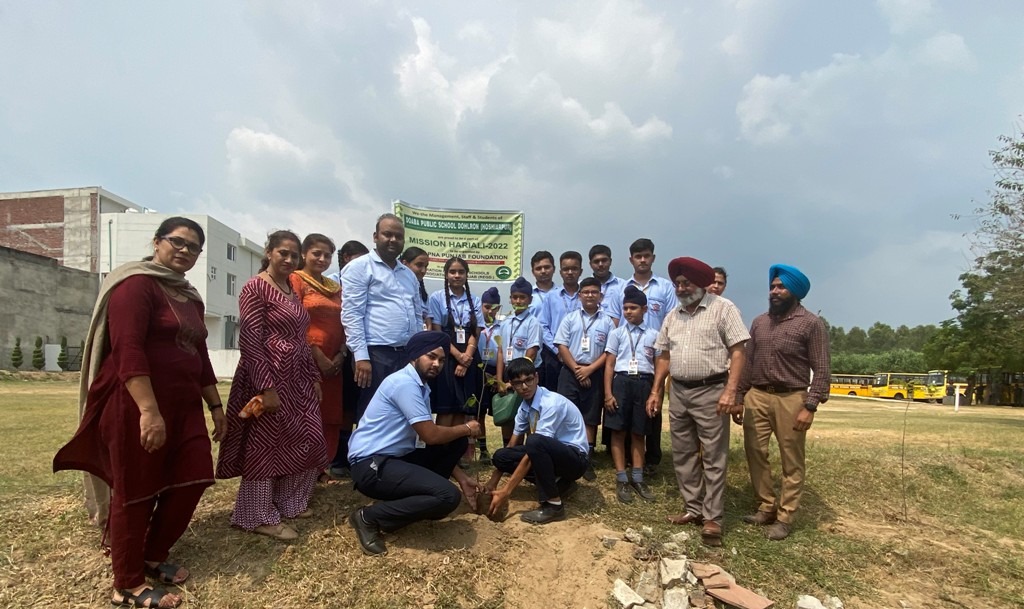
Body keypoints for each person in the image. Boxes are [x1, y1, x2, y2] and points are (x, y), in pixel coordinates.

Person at [54, 217, 227, 609]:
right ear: (157, 242)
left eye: (193, 247)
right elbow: (129, 348)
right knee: (136, 490)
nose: (184, 251)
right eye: (177, 242)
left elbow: (199, 356)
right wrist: (148, 411)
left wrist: (216, 406)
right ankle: (127, 583)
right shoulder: (134, 284)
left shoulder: (190, 296)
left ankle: (151, 553)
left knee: (194, 476)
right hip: (134, 403)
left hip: (183, 406)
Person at [216, 230, 326, 541]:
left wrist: (314, 377)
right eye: (283, 253)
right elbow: (250, 339)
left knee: (308, 436)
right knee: (265, 447)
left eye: (294, 255)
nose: (289, 260)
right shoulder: (255, 288)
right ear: (269, 252)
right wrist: (266, 387)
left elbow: (300, 338)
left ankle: (288, 501)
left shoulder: (291, 288)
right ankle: (256, 515)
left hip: (298, 377)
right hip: (268, 376)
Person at [347, 331, 481, 555]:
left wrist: (463, 478)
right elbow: (430, 435)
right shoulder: (404, 384)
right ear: (415, 355)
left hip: (394, 458)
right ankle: (368, 518)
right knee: (448, 497)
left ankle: (411, 501)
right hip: (371, 465)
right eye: (431, 356)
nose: (436, 364)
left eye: (441, 360)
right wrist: (467, 428)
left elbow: (424, 439)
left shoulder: (420, 386)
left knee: (454, 443)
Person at [647, 256, 749, 547]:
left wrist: (731, 391)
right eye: (677, 283)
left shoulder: (723, 309)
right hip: (678, 391)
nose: (680, 288)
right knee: (683, 454)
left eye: (686, 282)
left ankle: (713, 518)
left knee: (714, 457)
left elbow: (739, 352)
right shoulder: (672, 316)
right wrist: (656, 391)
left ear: (701, 284)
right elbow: (664, 356)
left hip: (712, 390)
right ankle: (693, 508)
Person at [736, 264, 830, 541]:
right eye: (773, 286)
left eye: (781, 287)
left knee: (792, 460)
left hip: (792, 397)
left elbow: (822, 368)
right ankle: (766, 505)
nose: (775, 291)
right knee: (755, 451)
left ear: (795, 292)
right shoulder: (759, 322)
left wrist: (810, 406)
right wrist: (740, 397)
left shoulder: (811, 324)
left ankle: (785, 517)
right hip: (758, 394)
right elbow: (749, 361)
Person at [484, 357, 590, 524]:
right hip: (551, 452)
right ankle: (559, 484)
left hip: (575, 459)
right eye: (518, 383)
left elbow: (535, 448)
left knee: (534, 442)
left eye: (529, 380)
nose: (524, 387)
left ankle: (554, 505)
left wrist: (506, 491)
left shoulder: (550, 403)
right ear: (511, 383)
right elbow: (512, 444)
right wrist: (493, 481)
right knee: (501, 456)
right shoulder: (524, 407)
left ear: (537, 378)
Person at [341, 214, 425, 419]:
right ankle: (368, 453)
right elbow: (352, 314)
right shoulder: (360, 267)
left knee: (402, 413)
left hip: (406, 355)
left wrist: (416, 353)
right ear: (375, 236)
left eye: (399, 236)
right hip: (375, 355)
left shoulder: (408, 274)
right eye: (387, 234)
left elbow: (416, 315)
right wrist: (361, 357)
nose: (393, 240)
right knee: (374, 412)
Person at [608, 239, 678, 474]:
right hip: (626, 357)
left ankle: (652, 460)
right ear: (631, 260)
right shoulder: (620, 288)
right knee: (624, 417)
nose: (642, 260)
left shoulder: (665, 288)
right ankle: (626, 461)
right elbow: (616, 319)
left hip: (653, 354)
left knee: (650, 414)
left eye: (646, 256)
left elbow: (671, 320)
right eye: (638, 256)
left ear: (653, 258)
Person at [290, 234, 345, 483]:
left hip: (335, 361)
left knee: (330, 415)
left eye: (327, 255)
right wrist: (317, 355)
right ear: (304, 254)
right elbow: (292, 320)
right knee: (306, 414)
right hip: (306, 358)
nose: (322, 259)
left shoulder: (334, 288)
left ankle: (320, 467)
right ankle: (298, 470)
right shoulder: (295, 280)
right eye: (317, 253)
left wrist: (342, 354)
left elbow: (347, 322)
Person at [603, 285, 659, 503]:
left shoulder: (654, 335)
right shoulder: (617, 334)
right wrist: (608, 393)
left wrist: (657, 393)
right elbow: (609, 365)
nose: (628, 312)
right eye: (625, 308)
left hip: (644, 383)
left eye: (633, 308)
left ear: (644, 309)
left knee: (639, 432)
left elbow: (659, 365)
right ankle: (621, 478)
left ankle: (637, 476)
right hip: (622, 382)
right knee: (618, 431)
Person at [553, 276, 613, 481]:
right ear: (579, 296)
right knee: (566, 413)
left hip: (595, 373)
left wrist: (589, 370)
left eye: (594, 292)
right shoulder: (570, 318)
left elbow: (609, 351)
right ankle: (566, 455)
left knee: (590, 416)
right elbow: (561, 345)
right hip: (570, 372)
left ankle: (586, 459)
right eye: (586, 292)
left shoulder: (607, 322)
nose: (590, 295)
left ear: (601, 296)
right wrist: (578, 370)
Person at [328, 240, 370, 478]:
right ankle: (338, 458)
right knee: (343, 408)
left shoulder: (368, 281)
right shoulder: (332, 283)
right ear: (344, 258)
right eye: (355, 259)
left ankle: (360, 456)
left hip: (364, 350)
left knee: (361, 406)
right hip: (340, 351)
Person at [428, 257, 482, 432]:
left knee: (463, 405)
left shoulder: (475, 300)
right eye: (452, 272)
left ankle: (457, 454)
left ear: (467, 275)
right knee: (447, 405)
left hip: (470, 353)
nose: (457, 275)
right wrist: (458, 357)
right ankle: (440, 452)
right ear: (446, 275)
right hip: (446, 354)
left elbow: (476, 331)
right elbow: (437, 332)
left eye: (461, 272)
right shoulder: (436, 298)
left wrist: (467, 357)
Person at [494, 277, 543, 444]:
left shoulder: (533, 322)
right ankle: (511, 455)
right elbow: (501, 351)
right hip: (509, 377)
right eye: (515, 297)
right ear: (510, 299)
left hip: (524, 378)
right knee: (508, 415)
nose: (518, 301)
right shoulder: (505, 322)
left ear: (530, 299)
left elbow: (532, 351)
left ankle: (529, 454)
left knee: (528, 416)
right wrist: (500, 380)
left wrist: (519, 379)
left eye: (523, 297)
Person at [538, 251, 583, 391]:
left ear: (580, 271)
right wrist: (558, 350)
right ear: (560, 272)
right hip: (555, 357)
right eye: (566, 269)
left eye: (574, 269)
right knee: (554, 396)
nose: (570, 272)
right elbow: (543, 326)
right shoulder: (551, 297)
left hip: (581, 356)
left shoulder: (587, 295)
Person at [476, 287, 503, 460]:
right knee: (479, 412)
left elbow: (502, 352)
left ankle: (507, 448)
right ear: (481, 307)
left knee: (502, 412)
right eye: (486, 307)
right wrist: (484, 374)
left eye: (493, 307)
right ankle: (483, 450)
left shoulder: (504, 326)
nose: (490, 311)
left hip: (497, 371)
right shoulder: (476, 327)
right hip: (478, 370)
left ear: (499, 308)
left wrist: (498, 378)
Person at [588, 244, 625, 318]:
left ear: (610, 261)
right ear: (590, 264)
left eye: (604, 260)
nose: (600, 264)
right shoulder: (582, 286)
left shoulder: (623, 286)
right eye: (596, 261)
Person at [401, 246, 431, 327]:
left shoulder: (422, 291)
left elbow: (427, 316)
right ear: (405, 264)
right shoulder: (395, 288)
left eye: (426, 266)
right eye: (419, 265)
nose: (423, 271)